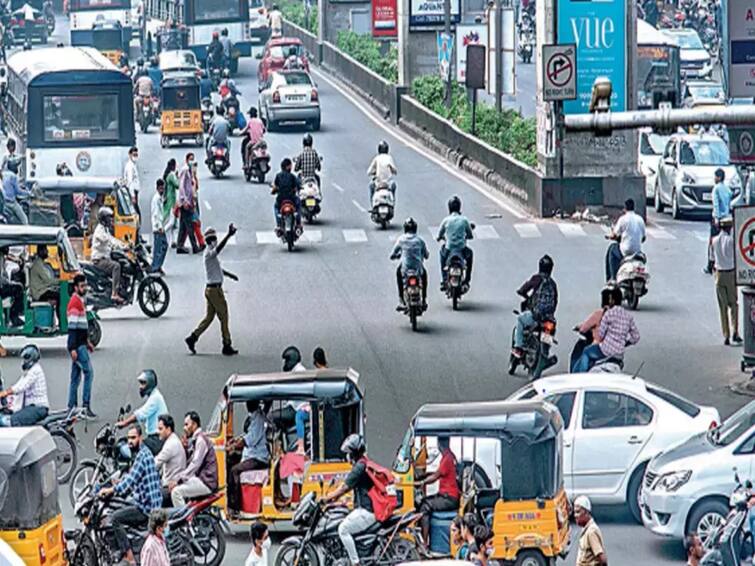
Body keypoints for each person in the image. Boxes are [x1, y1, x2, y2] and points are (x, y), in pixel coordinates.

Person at [99, 424, 162, 566]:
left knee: (115, 518)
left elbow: (130, 481)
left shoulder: (142, 456)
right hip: (145, 500)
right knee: (123, 504)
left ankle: (129, 557)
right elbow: (132, 476)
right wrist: (118, 482)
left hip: (147, 508)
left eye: (133, 438)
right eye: (128, 438)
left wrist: (111, 490)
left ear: (140, 438)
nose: (130, 441)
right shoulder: (143, 453)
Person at [185, 225, 239, 356]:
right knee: (224, 316)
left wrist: (230, 275)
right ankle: (227, 344)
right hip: (215, 291)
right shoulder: (209, 253)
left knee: (209, 317)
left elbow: (218, 270)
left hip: (211, 290)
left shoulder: (210, 254)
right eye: (214, 239)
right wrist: (228, 235)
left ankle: (193, 338)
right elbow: (218, 250)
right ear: (210, 240)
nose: (215, 241)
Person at [322, 435, 375, 566]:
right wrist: (335, 500)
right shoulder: (363, 463)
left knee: (343, 529)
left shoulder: (359, 467)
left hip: (367, 511)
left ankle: (355, 563)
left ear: (353, 453)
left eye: (348, 453)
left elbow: (344, 487)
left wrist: (326, 499)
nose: (347, 457)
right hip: (364, 509)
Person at [573, 287, 640, 373]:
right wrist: (624, 343)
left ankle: (581, 376)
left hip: (605, 351)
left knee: (586, 351)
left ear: (612, 300)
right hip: (619, 354)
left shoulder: (608, 314)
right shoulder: (628, 316)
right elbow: (636, 337)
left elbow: (601, 335)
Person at [512, 255, 558, 359]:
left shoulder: (536, 278)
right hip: (549, 318)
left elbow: (523, 290)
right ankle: (545, 351)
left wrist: (523, 293)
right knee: (549, 330)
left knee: (520, 319)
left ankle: (518, 347)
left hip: (536, 316)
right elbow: (555, 301)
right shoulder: (553, 283)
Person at [169, 411, 219, 507]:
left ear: (194, 424)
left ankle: (184, 520)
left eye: (186, 424)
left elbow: (195, 464)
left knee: (176, 492)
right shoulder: (195, 440)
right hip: (201, 479)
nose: (184, 428)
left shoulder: (201, 440)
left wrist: (178, 479)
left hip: (206, 482)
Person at [416, 436, 459, 544]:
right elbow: (439, 473)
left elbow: (435, 476)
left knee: (424, 507)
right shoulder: (449, 456)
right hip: (447, 495)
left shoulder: (447, 458)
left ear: (440, 444)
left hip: (449, 498)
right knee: (423, 501)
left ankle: (424, 543)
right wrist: (423, 476)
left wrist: (421, 482)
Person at [229, 400, 271, 510]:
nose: (247, 405)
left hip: (258, 458)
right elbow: (246, 434)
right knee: (231, 461)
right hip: (251, 455)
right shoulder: (254, 416)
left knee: (234, 471)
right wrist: (234, 441)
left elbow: (250, 440)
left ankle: (235, 505)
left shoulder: (258, 419)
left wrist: (233, 446)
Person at [116, 370, 169, 455]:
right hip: (155, 437)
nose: (140, 387)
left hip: (157, 439)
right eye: (140, 383)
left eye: (143, 383)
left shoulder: (155, 398)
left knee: (132, 448)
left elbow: (140, 414)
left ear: (150, 384)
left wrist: (124, 423)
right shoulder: (154, 396)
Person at [67, 273, 95, 418]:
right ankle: (85, 407)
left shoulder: (79, 301)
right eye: (82, 286)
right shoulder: (74, 302)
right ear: (76, 287)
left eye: (85, 285)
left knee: (75, 377)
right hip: (77, 346)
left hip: (80, 344)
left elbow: (81, 326)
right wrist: (72, 348)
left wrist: (88, 342)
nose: (84, 288)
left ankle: (71, 408)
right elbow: (72, 328)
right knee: (88, 373)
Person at [0, 344, 48, 426]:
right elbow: (19, 383)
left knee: (8, 420)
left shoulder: (35, 371)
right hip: (29, 407)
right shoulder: (30, 371)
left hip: (37, 408)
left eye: (25, 358)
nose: (23, 362)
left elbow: (21, 387)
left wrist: (5, 393)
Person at [712, 216, 741, 345]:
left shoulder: (714, 241)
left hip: (719, 274)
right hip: (730, 273)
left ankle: (726, 335)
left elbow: (712, 258)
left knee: (722, 307)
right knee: (733, 304)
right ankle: (735, 331)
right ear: (730, 228)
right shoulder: (731, 241)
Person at [390, 217, 429, 311]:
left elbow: (393, 254)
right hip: (417, 269)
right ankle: (424, 299)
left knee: (398, 274)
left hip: (405, 269)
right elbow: (426, 254)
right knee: (424, 276)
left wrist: (395, 256)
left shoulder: (401, 239)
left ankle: (401, 299)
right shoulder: (420, 240)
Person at [91, 206, 128, 304]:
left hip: (105, 257)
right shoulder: (100, 231)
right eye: (108, 218)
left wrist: (124, 244)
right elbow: (109, 241)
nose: (110, 220)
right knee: (116, 266)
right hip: (99, 260)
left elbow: (112, 239)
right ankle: (114, 294)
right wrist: (122, 247)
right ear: (103, 219)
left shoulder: (105, 229)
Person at [437, 195, 474, 290]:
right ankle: (467, 280)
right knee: (470, 255)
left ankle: (444, 279)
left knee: (441, 254)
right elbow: (470, 235)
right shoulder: (464, 220)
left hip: (449, 248)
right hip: (461, 248)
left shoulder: (446, 220)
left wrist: (441, 237)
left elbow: (439, 235)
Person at [605, 198, 645, 282]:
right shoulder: (640, 219)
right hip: (637, 251)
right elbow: (643, 238)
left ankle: (612, 278)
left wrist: (609, 237)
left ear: (625, 208)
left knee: (612, 249)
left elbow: (614, 235)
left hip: (625, 251)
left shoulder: (623, 219)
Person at [706, 168, 733, 274]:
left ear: (719, 177)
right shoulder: (728, 189)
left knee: (712, 242)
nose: (714, 178)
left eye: (715, 176)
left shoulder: (716, 189)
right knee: (725, 241)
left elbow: (716, 205)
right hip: (726, 218)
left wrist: (716, 218)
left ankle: (711, 264)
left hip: (717, 218)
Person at [176, 153, 200, 254]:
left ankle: (179, 246)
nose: (192, 161)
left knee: (183, 225)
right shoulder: (185, 170)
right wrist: (185, 201)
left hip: (187, 202)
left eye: (193, 159)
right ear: (186, 160)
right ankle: (194, 246)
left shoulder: (190, 171)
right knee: (189, 225)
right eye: (190, 159)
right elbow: (181, 187)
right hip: (185, 203)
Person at [154, 414, 186, 490]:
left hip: (169, 487)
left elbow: (155, 463)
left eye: (160, 429)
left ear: (168, 429)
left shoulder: (171, 444)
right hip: (171, 484)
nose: (158, 432)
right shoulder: (173, 440)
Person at [574, 495, 607, 566]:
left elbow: (602, 559)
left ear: (586, 513)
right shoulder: (585, 529)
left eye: (578, 512)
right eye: (575, 512)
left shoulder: (591, 531)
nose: (575, 515)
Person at [271, 158, 302, 231]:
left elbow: (275, 187)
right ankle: (298, 223)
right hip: (291, 199)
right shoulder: (292, 176)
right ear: (287, 167)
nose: (291, 167)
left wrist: (274, 191)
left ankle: (278, 224)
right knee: (298, 204)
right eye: (290, 165)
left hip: (281, 199)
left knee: (276, 207)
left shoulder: (278, 176)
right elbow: (297, 185)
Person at [29, 245, 60, 317]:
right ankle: (61, 319)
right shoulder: (38, 264)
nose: (47, 252)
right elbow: (48, 281)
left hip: (42, 290)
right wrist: (61, 282)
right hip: (39, 293)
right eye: (45, 250)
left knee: (57, 292)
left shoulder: (41, 263)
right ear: (40, 252)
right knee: (59, 296)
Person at [0, 247, 23, 327]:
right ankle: (13, 316)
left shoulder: (3, 257)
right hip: (1, 288)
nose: (8, 249)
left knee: (17, 287)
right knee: (19, 289)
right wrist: (10, 283)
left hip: (2, 285)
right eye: (6, 247)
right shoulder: (0, 258)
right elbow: (1, 278)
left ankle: (12, 315)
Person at [151, 179, 169, 274]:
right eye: (161, 188)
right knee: (160, 247)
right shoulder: (156, 199)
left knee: (162, 247)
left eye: (163, 188)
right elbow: (155, 214)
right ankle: (155, 266)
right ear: (157, 188)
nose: (162, 190)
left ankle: (157, 265)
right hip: (158, 228)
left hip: (160, 226)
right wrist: (159, 227)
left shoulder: (160, 198)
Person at [162, 159, 179, 248]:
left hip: (169, 199)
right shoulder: (172, 175)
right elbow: (178, 185)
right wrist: (178, 177)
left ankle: (173, 241)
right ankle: (162, 233)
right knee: (172, 222)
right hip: (171, 201)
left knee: (174, 224)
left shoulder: (167, 175)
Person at [124, 146, 142, 221]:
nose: (135, 157)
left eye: (136, 155)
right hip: (132, 192)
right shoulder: (130, 167)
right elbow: (130, 182)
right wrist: (133, 196)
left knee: (135, 212)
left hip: (134, 192)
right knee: (136, 213)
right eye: (134, 155)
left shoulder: (133, 165)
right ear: (130, 155)